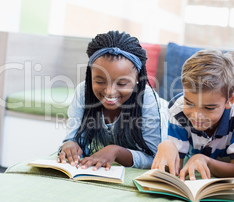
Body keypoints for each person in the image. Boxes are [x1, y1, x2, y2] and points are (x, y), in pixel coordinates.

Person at [57, 30, 167, 170]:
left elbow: (155, 158)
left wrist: (117, 151)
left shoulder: (147, 100)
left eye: (122, 84)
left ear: (138, 78)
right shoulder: (83, 92)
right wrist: (70, 144)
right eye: (99, 81)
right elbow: (74, 137)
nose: (110, 91)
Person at [152, 49, 234, 180]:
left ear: (230, 101)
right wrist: (166, 146)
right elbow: (176, 167)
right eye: (189, 103)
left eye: (209, 108)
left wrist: (206, 161)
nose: (197, 115)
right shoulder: (178, 109)